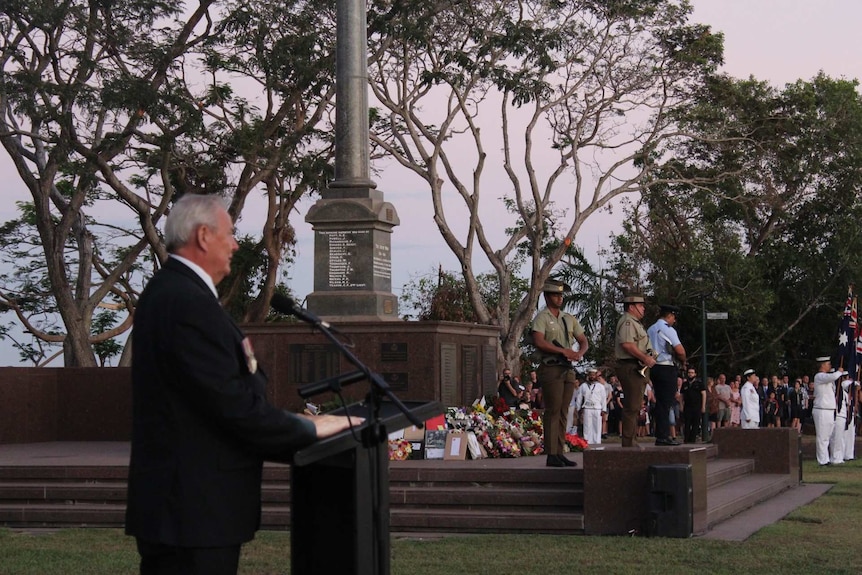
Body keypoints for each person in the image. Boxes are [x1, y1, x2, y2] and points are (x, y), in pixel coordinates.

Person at [125, 194, 361, 575]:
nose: (235, 244)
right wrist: (308, 428)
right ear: (203, 236)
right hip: (191, 513)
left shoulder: (177, 293)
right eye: (229, 234)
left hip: (190, 512)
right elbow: (230, 407)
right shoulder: (185, 302)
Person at [532, 279, 589, 467]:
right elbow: (539, 341)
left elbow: (583, 340)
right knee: (553, 410)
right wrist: (562, 351)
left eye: (561, 295)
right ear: (547, 297)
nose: (560, 298)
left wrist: (579, 353)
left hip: (567, 368)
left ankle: (559, 450)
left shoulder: (568, 318)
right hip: (551, 367)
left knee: (565, 411)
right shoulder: (542, 318)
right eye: (556, 295)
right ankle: (551, 453)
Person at [614, 292, 656, 447]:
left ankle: (631, 440)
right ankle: (629, 441)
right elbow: (627, 344)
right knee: (632, 405)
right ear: (631, 307)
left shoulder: (635, 323)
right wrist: (645, 358)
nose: (643, 308)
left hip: (637, 366)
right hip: (630, 365)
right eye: (640, 305)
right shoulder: (628, 322)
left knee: (636, 404)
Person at [647, 305, 687, 446]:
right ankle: (663, 436)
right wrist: (683, 361)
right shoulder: (668, 330)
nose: (674, 321)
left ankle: (661, 433)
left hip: (653, 366)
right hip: (666, 366)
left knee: (660, 402)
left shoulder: (651, 329)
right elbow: (680, 350)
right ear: (669, 315)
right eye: (674, 317)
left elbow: (649, 349)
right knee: (666, 402)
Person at [812, 356, 845, 466]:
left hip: (829, 410)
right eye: (828, 364)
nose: (830, 366)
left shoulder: (826, 377)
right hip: (821, 410)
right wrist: (839, 372)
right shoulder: (819, 376)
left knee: (828, 436)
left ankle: (826, 458)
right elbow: (833, 377)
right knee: (822, 437)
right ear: (822, 365)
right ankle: (822, 460)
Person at [575, 367, 606, 445]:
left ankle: (597, 441)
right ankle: (587, 442)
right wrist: (577, 408)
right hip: (587, 408)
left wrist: (604, 409)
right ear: (588, 375)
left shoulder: (600, 386)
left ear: (596, 376)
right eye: (590, 375)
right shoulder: (583, 386)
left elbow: (603, 399)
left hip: (597, 408)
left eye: (593, 375)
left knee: (597, 426)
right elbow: (579, 397)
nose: (592, 376)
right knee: (587, 426)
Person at [681, 366, 705, 443]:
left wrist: (703, 406)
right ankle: (686, 439)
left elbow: (704, 394)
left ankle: (692, 439)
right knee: (687, 423)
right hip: (687, 407)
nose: (690, 374)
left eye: (692, 373)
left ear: (695, 374)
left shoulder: (699, 384)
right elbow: (681, 395)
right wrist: (681, 405)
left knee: (696, 423)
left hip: (697, 407)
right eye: (689, 373)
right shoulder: (685, 384)